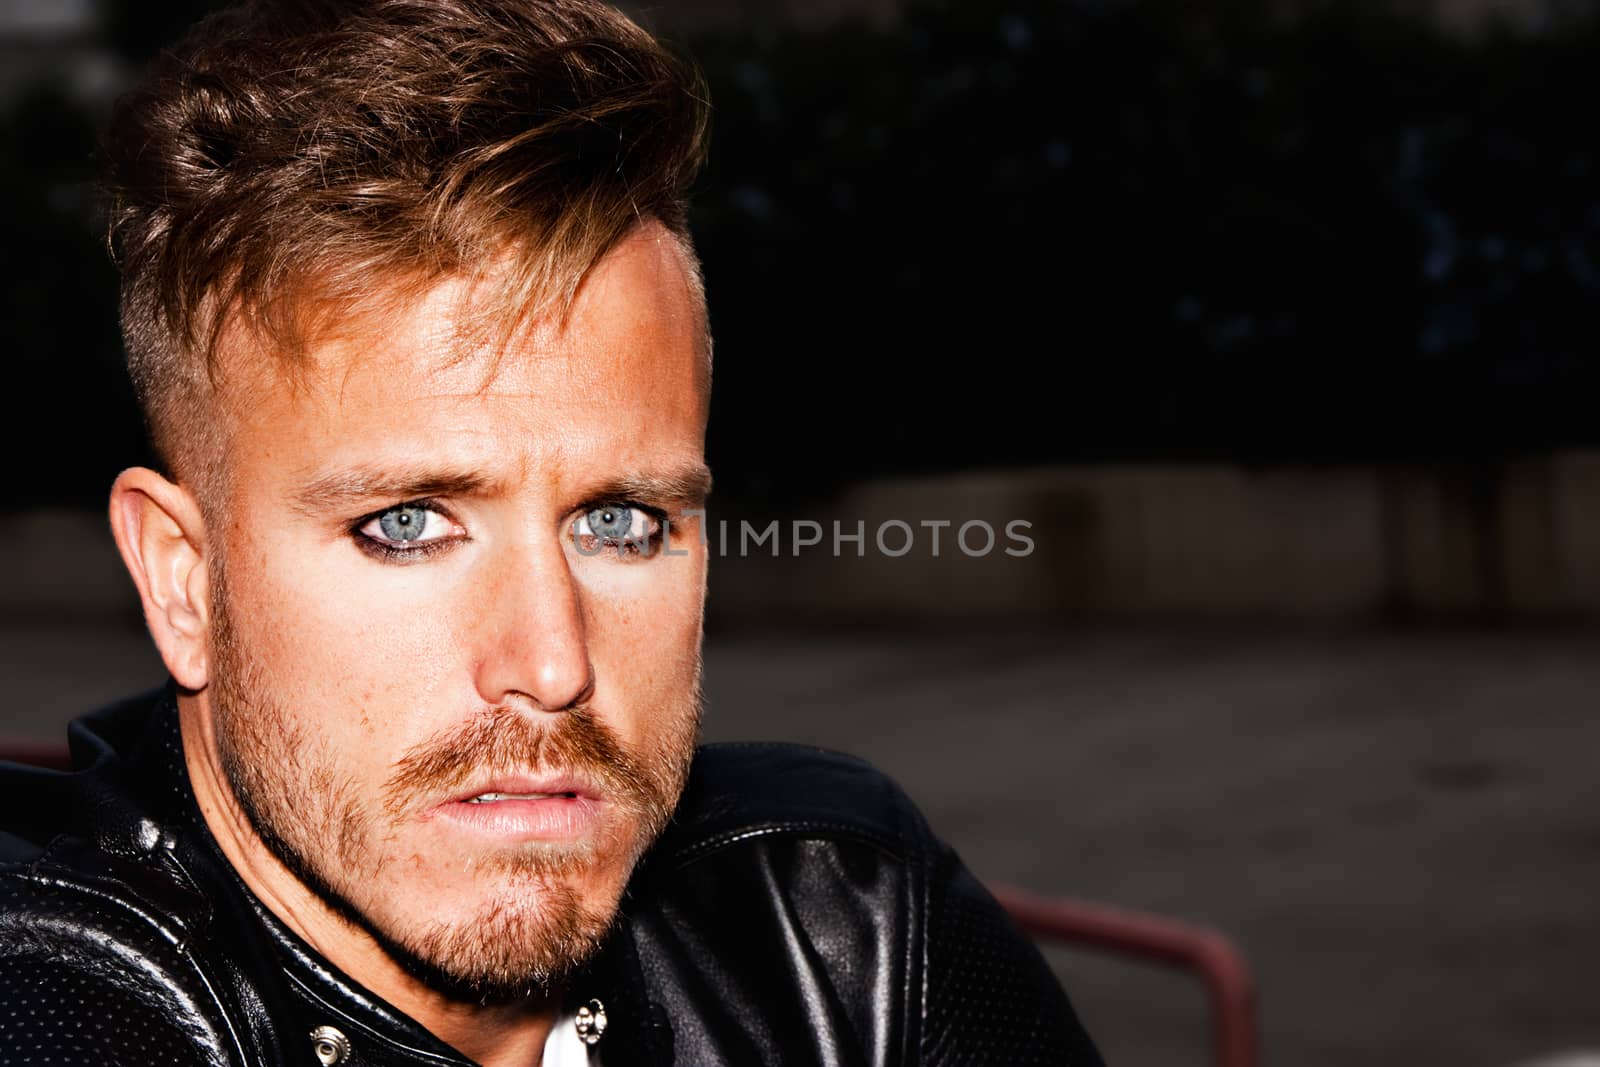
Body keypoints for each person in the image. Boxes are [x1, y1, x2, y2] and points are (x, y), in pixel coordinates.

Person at [0, 1, 1102, 1063]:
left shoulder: (841, 934)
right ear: (182, 579)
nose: (551, 661)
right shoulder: (66, 997)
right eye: (406, 523)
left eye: (620, 522)